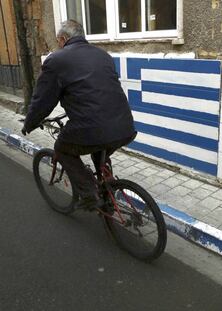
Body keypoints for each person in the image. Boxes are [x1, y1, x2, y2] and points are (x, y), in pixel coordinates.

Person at [22, 20, 136, 210]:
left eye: (58, 40)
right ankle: (107, 189)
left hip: (93, 127)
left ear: (64, 39)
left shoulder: (56, 60)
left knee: (62, 148)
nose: (58, 44)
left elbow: (42, 99)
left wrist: (29, 123)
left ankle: (90, 195)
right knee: (100, 147)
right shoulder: (103, 55)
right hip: (125, 126)